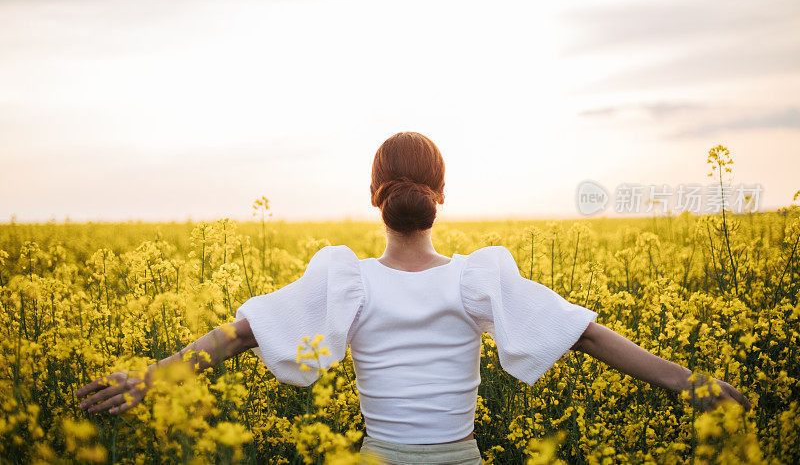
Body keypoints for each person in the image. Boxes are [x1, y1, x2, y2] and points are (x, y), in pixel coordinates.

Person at [77, 131, 750, 464]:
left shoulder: (346, 278)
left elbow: (239, 333)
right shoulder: (476, 278)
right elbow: (587, 334)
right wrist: (690, 383)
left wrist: (147, 380)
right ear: (442, 196)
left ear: (375, 197)